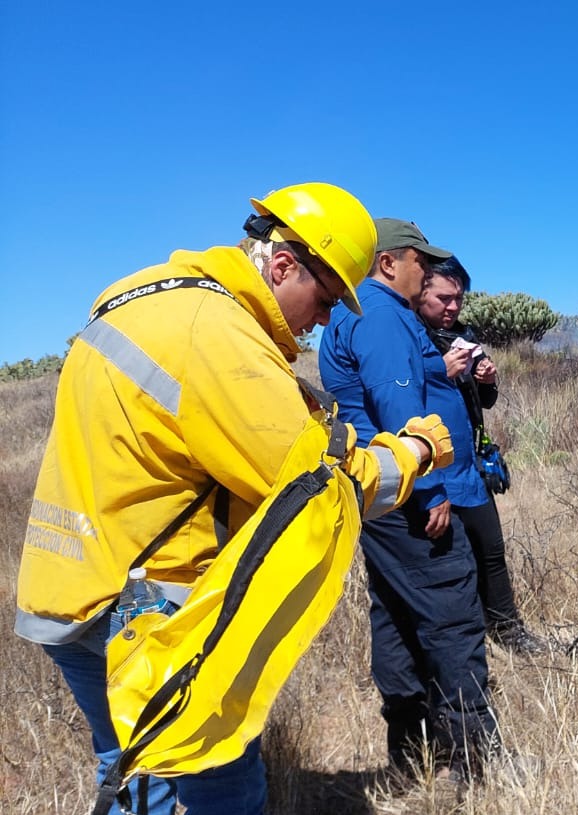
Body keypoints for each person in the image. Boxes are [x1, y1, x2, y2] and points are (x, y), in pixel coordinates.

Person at [15, 183, 449, 815]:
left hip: (66, 586)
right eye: (326, 297)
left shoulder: (137, 297)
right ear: (282, 265)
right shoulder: (212, 333)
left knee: (133, 772)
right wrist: (411, 453)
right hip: (150, 611)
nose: (327, 319)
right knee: (224, 789)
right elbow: (321, 485)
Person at [319, 219, 502, 780]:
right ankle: (473, 759)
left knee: (396, 614)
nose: (427, 275)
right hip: (406, 489)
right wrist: (429, 488)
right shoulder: (380, 315)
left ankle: (411, 754)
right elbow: (395, 406)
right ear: (389, 263)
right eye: (420, 263)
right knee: (452, 616)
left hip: (379, 491)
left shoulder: (368, 314)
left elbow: (400, 379)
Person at [414, 258, 548, 654]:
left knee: (491, 551)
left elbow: (482, 402)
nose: (452, 307)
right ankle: (464, 639)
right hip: (434, 472)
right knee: (450, 562)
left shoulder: (463, 338)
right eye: (443, 298)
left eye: (458, 299)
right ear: (420, 294)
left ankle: (508, 631)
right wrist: (441, 371)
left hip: (470, 469)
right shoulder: (411, 340)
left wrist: (486, 380)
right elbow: (399, 397)